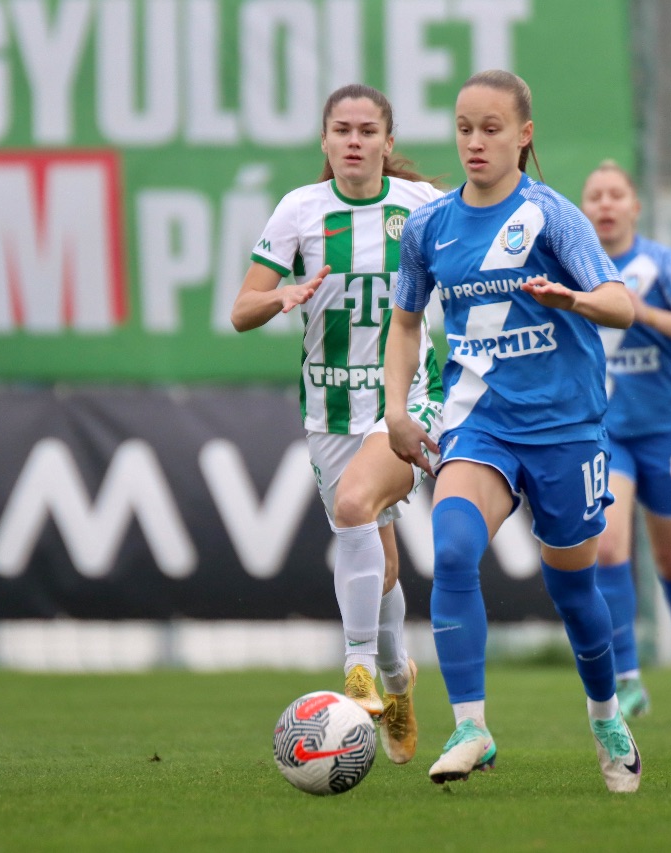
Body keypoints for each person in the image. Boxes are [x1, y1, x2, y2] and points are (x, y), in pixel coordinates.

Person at [384, 70, 642, 793]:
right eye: (464, 128)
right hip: (479, 422)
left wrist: (573, 299)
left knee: (574, 591)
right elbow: (405, 323)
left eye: (491, 129)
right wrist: (397, 408)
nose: (475, 142)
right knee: (453, 549)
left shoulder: (553, 215)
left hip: (565, 427)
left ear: (523, 135)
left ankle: (606, 717)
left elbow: (621, 304)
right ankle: (471, 726)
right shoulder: (429, 227)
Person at [230, 83, 446, 765]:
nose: (354, 140)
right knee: (380, 559)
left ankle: (356, 670)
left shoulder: (422, 206)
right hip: (329, 406)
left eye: (367, 130)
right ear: (325, 140)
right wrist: (281, 296)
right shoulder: (300, 209)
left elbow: (474, 258)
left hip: (405, 398)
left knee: (354, 505)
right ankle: (397, 679)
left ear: (388, 141)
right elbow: (240, 310)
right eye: (342, 130)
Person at [580, 159, 671, 726]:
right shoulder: (575, 266)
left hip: (666, 430)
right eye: (595, 196)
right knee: (609, 548)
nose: (605, 204)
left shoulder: (660, 264)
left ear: (635, 207)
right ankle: (627, 680)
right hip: (606, 432)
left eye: (616, 195)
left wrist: (643, 312)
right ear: (583, 209)